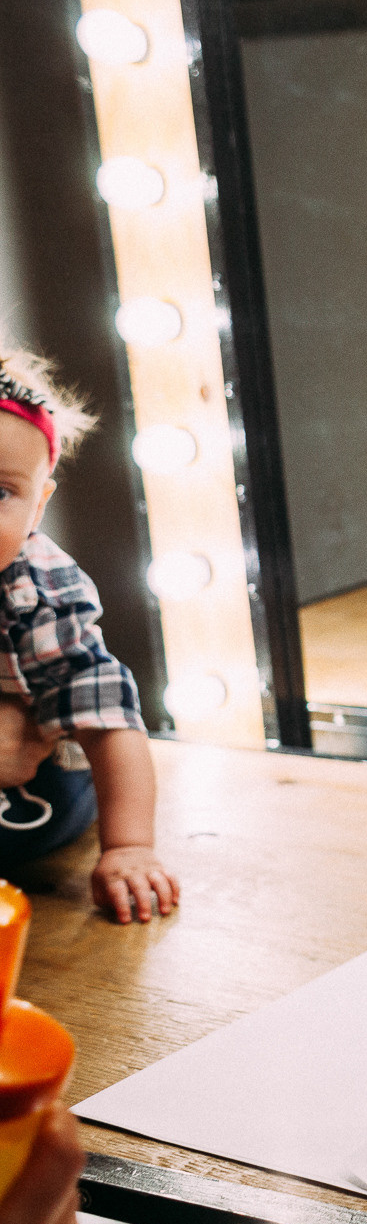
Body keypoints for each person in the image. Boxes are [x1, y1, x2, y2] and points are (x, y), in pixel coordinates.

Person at [0, 348, 176, 925]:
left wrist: (129, 847)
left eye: (1, 492)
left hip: (34, 791)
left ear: (36, 508)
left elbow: (106, 715)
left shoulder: (36, 591)